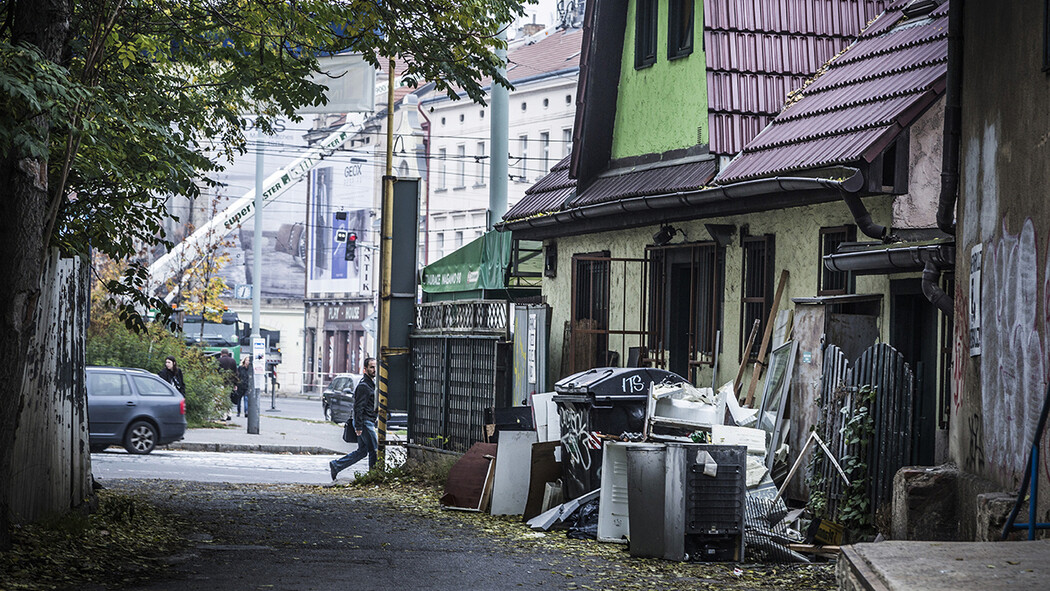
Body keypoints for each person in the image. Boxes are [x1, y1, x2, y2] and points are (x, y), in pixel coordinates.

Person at [330, 357, 378, 480]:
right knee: (374, 449)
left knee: (362, 451)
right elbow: (358, 407)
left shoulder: (371, 384)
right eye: (372, 367)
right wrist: (358, 426)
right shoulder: (364, 386)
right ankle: (374, 476)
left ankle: (336, 465)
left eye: (375, 367)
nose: (374, 370)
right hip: (365, 422)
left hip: (367, 421)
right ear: (365, 369)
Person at [217, 348, 238, 420]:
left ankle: (223, 415)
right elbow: (235, 373)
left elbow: (216, 372)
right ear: (228, 353)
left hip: (221, 382)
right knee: (229, 398)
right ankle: (229, 413)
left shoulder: (218, 360)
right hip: (230, 383)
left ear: (221, 353)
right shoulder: (233, 361)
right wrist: (235, 384)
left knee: (222, 399)